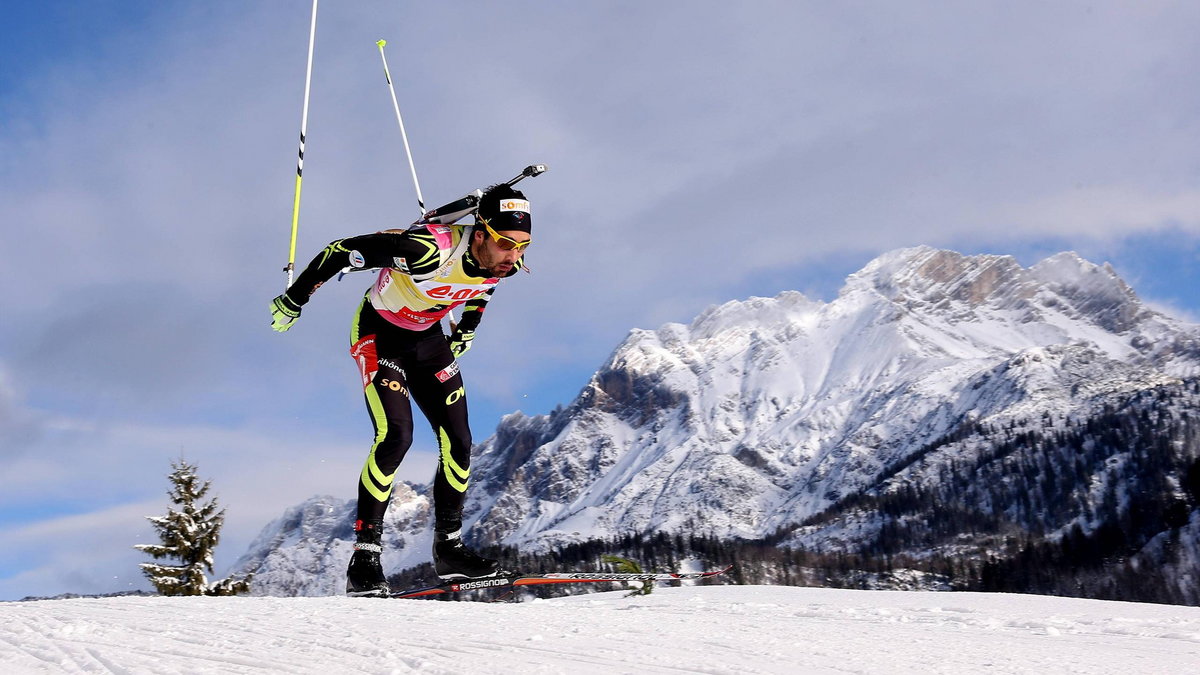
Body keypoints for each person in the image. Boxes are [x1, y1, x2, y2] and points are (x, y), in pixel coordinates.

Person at [269, 184, 532, 596]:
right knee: (396, 436)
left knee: (460, 442)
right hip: (380, 335)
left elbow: (484, 289)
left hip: (428, 342)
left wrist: (467, 329)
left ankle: (449, 552)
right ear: (479, 233)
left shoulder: (506, 262)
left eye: (523, 246)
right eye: (506, 244)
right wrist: (295, 299)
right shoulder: (426, 249)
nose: (514, 256)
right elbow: (339, 251)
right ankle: (365, 559)